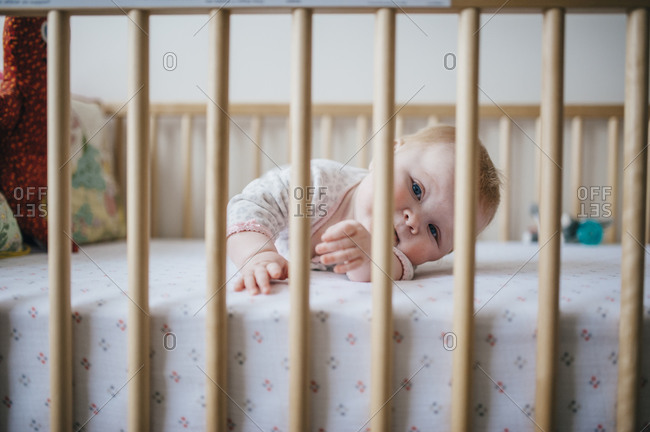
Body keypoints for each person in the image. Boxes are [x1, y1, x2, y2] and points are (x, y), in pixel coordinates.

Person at [226, 125, 501, 295]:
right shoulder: (316, 184)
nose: (414, 220)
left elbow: (380, 271)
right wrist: (258, 255)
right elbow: (249, 206)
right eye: (417, 189)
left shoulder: (400, 258)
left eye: (434, 231)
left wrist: (369, 256)